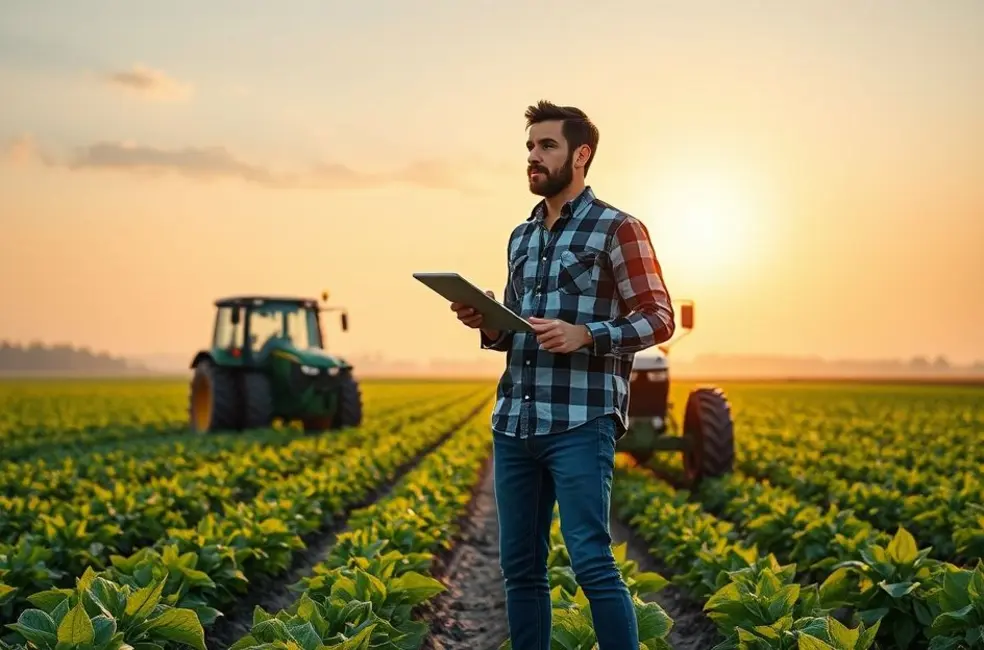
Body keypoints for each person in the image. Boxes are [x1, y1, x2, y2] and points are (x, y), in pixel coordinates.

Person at [450, 100, 676, 650]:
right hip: (515, 423)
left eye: (546, 146)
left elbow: (659, 316)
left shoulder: (619, 228)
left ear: (581, 155)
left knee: (592, 563)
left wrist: (589, 334)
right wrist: (486, 322)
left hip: (580, 422)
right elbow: (510, 330)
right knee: (520, 572)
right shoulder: (520, 236)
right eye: (529, 147)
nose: (533, 157)